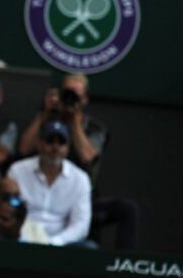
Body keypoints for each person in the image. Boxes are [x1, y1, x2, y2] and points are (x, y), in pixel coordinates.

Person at [17, 74, 138, 250]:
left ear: (85, 100)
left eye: (75, 96)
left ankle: (124, 267)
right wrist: (44, 113)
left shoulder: (95, 127)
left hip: (81, 198)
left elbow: (88, 157)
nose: (69, 99)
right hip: (43, 194)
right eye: (66, 93)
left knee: (126, 209)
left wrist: (73, 121)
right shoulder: (48, 120)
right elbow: (23, 149)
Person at [6, 119, 92, 247]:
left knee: (89, 248)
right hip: (21, 238)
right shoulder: (17, 170)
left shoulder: (80, 179)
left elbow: (81, 225)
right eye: (50, 141)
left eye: (61, 143)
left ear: (68, 148)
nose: (55, 148)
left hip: (61, 243)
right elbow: (9, 206)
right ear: (39, 144)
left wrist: (54, 242)